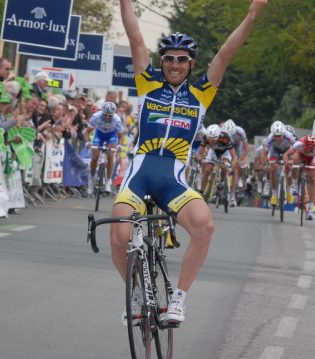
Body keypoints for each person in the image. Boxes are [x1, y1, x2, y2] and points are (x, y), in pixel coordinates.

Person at [113, 0, 268, 324]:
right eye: (169, 59)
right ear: (162, 61)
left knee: (205, 227)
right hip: (139, 175)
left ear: (190, 63)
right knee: (120, 234)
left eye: (181, 60)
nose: (174, 64)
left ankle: (179, 299)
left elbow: (225, 54)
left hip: (173, 181)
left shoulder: (201, 93)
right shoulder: (148, 83)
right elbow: (136, 36)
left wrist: (251, 16)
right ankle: (136, 293)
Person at [83, 101, 124, 194]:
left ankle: (108, 181)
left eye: (110, 115)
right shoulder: (96, 116)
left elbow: (120, 136)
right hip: (99, 135)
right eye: (105, 115)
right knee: (94, 158)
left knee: (110, 156)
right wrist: (88, 143)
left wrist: (119, 146)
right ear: (102, 112)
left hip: (111, 136)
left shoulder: (117, 119)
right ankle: (91, 179)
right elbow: (86, 132)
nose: (107, 117)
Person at [283, 135, 315, 220]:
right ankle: (295, 185)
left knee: (313, 178)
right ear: (304, 144)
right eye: (305, 147)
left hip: (312, 159)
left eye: (309, 148)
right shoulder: (298, 144)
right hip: (300, 155)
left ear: (314, 147)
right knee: (294, 160)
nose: (306, 149)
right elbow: (286, 155)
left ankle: (310, 208)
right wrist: (288, 163)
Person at [198, 124, 236, 199]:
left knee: (224, 166)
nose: (211, 141)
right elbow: (199, 154)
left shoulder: (225, 138)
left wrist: (231, 166)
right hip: (213, 151)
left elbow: (234, 156)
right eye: (210, 139)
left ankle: (222, 181)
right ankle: (201, 192)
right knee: (207, 169)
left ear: (218, 137)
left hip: (225, 151)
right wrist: (201, 160)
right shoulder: (206, 137)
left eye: (214, 140)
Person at [262, 120, 295, 206]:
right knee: (273, 169)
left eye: (279, 136)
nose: (277, 138)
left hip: (288, 150)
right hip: (275, 151)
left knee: (289, 168)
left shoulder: (289, 136)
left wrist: (292, 160)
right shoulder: (269, 139)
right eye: (275, 136)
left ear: (283, 134)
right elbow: (264, 154)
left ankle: (289, 190)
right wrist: (266, 163)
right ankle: (274, 194)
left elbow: (296, 149)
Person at [222, 118, 249, 206]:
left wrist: (240, 159)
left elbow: (246, 148)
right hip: (225, 147)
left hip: (237, 147)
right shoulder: (221, 130)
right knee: (224, 164)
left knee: (236, 169)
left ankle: (232, 195)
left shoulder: (240, 132)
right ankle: (222, 180)